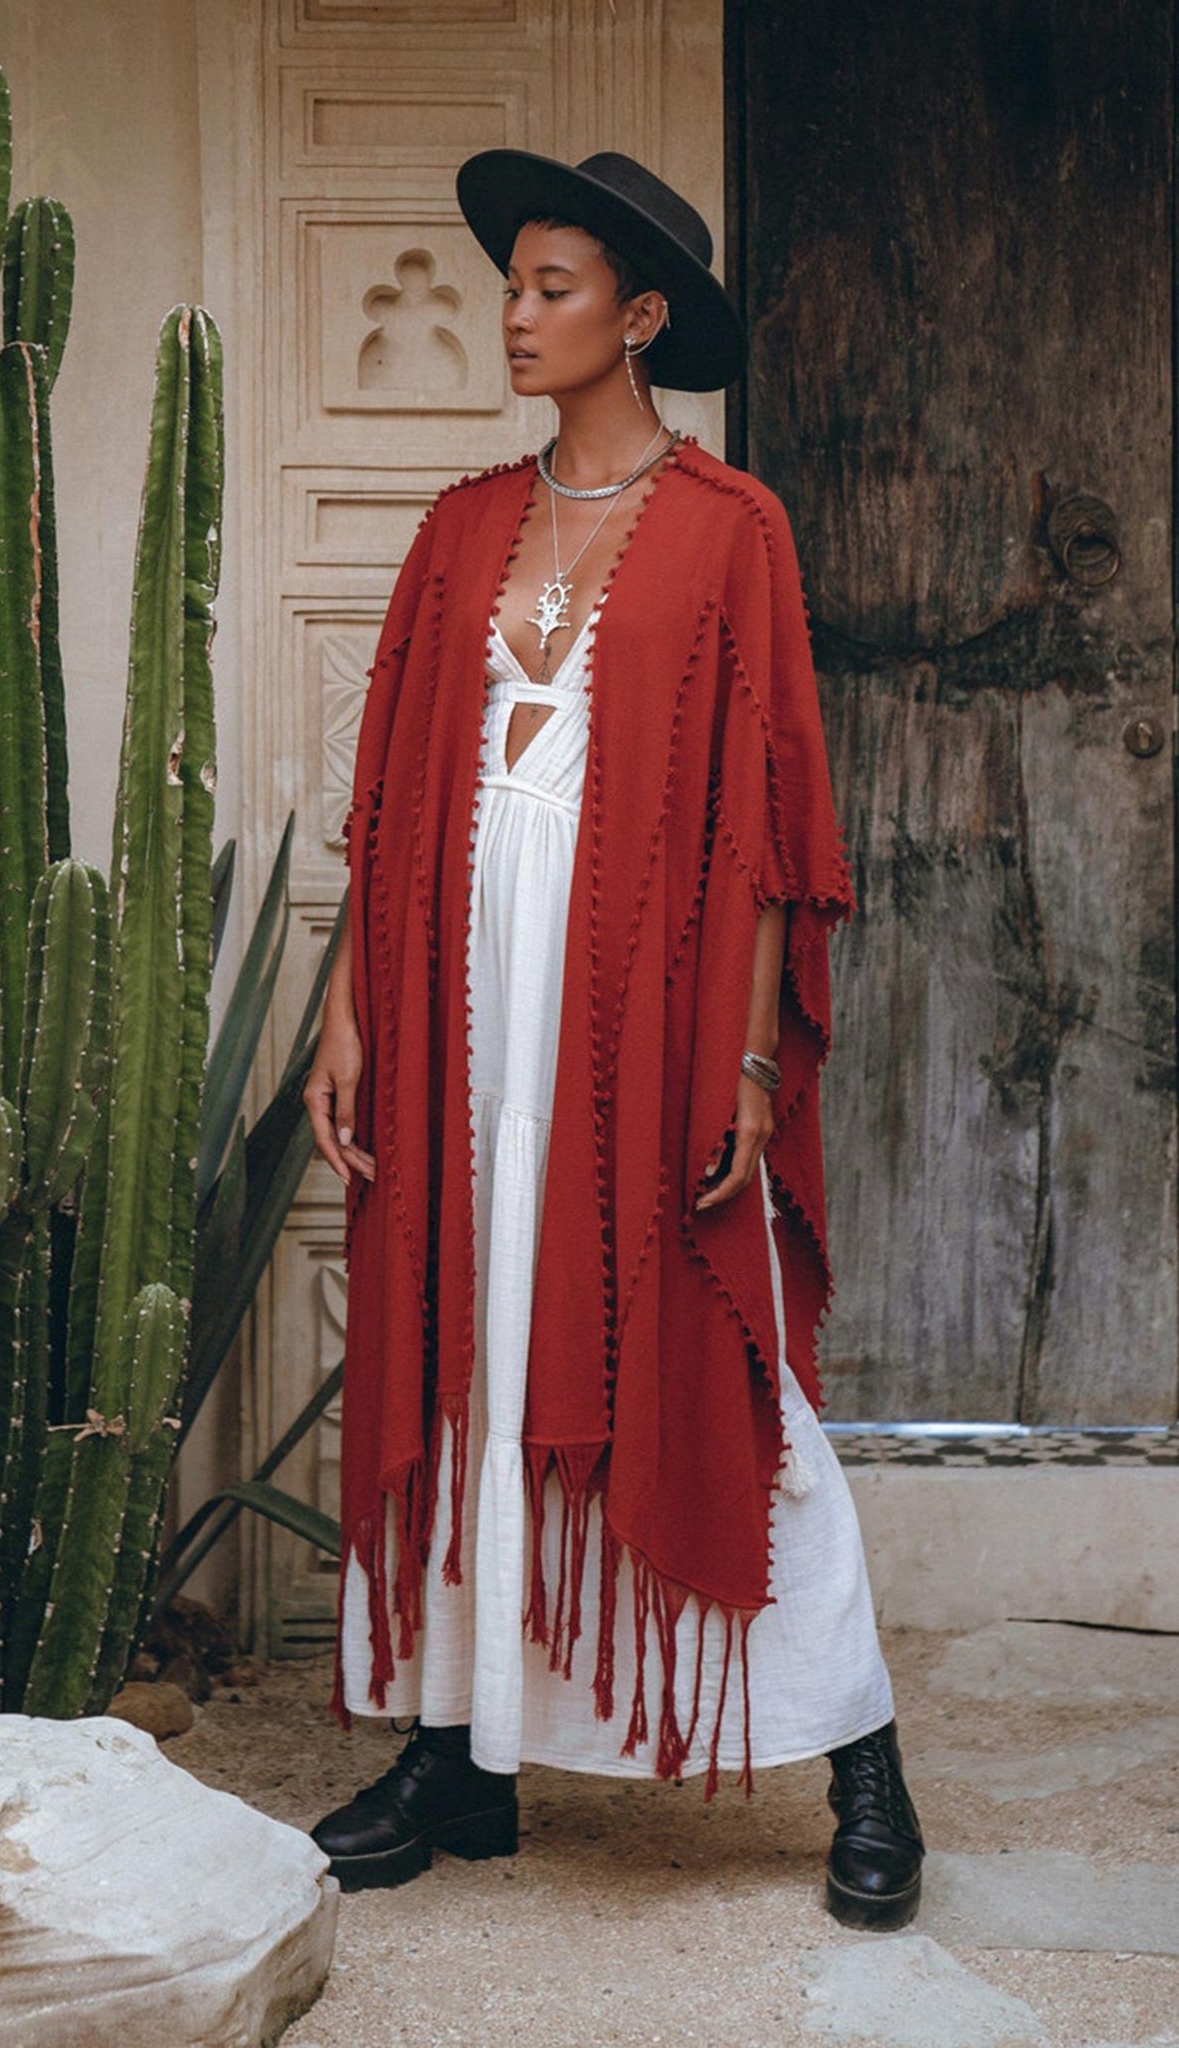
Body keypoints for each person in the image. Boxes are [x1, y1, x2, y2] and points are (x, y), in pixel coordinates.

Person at [303, 149, 924, 1931]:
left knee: (712, 1358)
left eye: (552, 286)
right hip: (452, 1003)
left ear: (638, 317)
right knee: (470, 1339)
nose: (514, 312)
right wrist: (349, 1013)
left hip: (640, 1011)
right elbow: (387, 805)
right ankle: (462, 1750)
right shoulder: (454, 528)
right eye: (509, 283)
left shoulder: (735, 530)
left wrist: (742, 1063)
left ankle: (858, 1751)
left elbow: (768, 826)